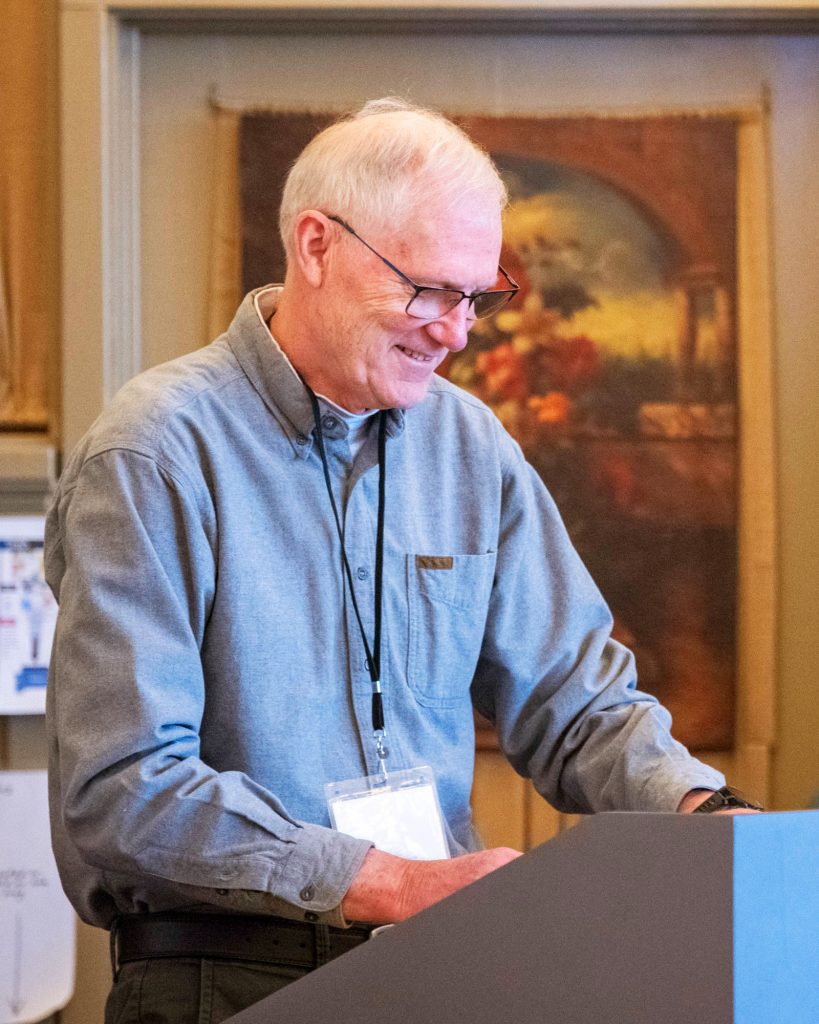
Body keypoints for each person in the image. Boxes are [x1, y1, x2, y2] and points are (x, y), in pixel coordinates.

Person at [45, 98, 758, 1024]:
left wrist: (711, 820)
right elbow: (122, 790)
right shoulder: (152, 453)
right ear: (315, 247)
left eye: (476, 296)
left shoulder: (471, 446)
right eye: (429, 290)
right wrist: (388, 883)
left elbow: (577, 703)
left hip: (437, 970)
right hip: (220, 978)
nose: (458, 332)